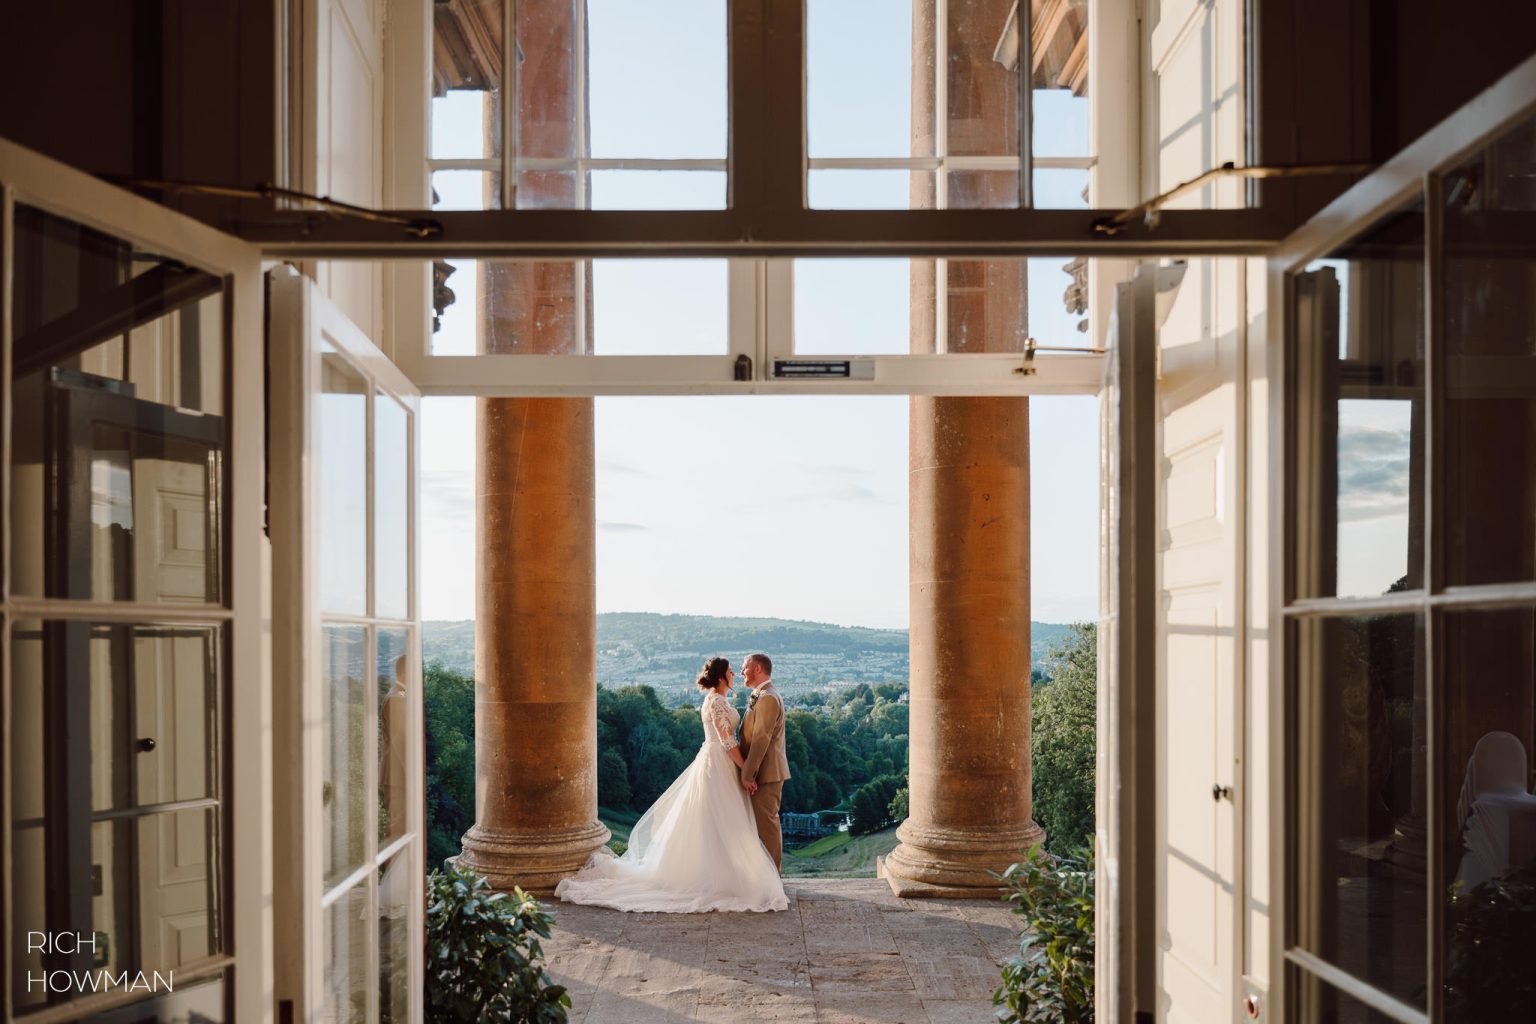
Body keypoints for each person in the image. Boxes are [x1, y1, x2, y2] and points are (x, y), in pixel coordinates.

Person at [555, 657, 788, 913]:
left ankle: (736, 876)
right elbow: (727, 742)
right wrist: (746, 770)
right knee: (722, 821)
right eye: (733, 671)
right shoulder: (718, 701)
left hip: (721, 764)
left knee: (725, 822)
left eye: (741, 669)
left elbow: (752, 737)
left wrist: (745, 770)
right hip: (719, 763)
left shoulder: (729, 699)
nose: (737, 673)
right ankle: (727, 878)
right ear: (722, 676)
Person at [738, 652, 790, 872]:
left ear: (758, 669)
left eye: (744, 667)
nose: (741, 672)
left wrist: (747, 774)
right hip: (762, 772)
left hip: (766, 774)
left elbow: (761, 739)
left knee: (767, 827)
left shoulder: (768, 697)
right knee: (760, 826)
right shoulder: (763, 694)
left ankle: (772, 879)